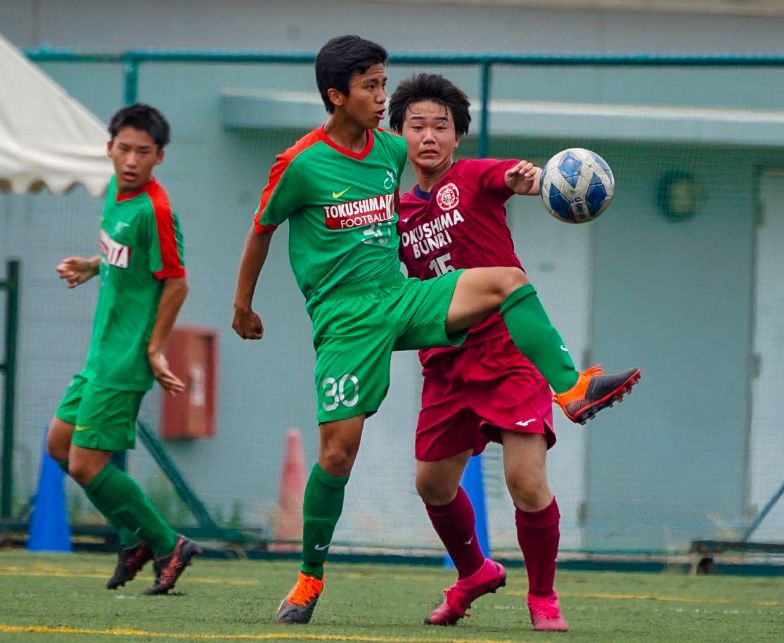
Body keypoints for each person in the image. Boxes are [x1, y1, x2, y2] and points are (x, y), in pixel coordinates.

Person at [232, 35, 639, 626]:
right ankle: (308, 579)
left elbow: (481, 173)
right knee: (342, 455)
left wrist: (532, 179)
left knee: (506, 281)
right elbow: (262, 229)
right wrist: (242, 307)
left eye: (383, 84)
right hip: (348, 320)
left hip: (407, 302)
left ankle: (572, 389)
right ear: (335, 95)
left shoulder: (416, 159)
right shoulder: (304, 164)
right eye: (372, 88)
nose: (384, 101)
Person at [388, 73, 637, 632]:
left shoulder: (474, 176)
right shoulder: (395, 214)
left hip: (508, 352)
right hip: (446, 363)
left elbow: (513, 176)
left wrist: (533, 178)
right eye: (416, 125)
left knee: (526, 481)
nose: (428, 136)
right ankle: (474, 571)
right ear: (397, 135)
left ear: (458, 137)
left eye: (441, 126)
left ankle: (543, 597)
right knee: (431, 483)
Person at [47, 103, 199, 595]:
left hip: (126, 357)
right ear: (109, 148)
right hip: (100, 352)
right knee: (59, 445)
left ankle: (165, 543)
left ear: (160, 157)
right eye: (124, 149)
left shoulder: (155, 210)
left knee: (86, 464)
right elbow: (125, 258)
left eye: (143, 152)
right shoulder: (116, 191)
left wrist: (155, 350)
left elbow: (177, 284)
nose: (131, 160)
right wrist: (93, 265)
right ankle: (137, 538)